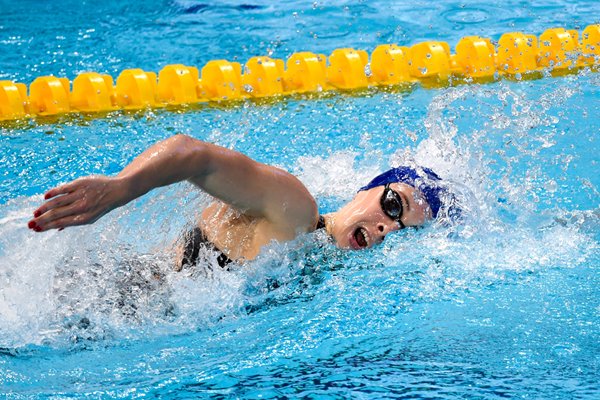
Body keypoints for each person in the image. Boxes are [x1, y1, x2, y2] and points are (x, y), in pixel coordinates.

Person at [27, 134, 454, 268]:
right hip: (113, 301)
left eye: (403, 232)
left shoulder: (319, 258)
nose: (386, 228)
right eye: (393, 207)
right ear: (365, 190)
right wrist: (119, 188)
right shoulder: (295, 209)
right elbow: (194, 154)